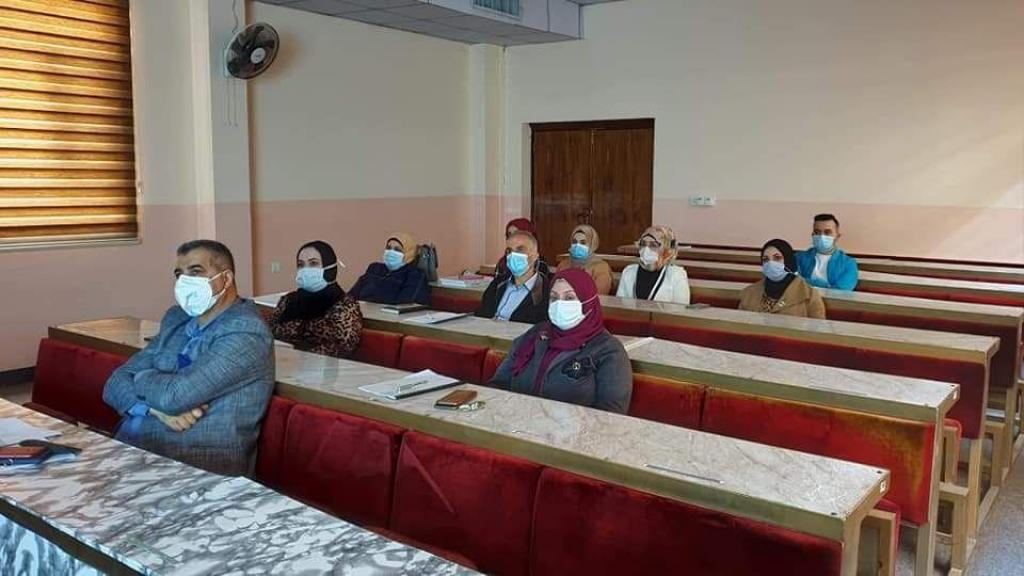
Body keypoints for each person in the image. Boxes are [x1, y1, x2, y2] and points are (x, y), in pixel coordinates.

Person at [103, 240, 274, 476]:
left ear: (226, 279)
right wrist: (154, 410)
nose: (184, 281)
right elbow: (114, 383)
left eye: (195, 271)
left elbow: (175, 396)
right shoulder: (177, 318)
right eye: (179, 274)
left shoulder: (246, 331)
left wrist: (142, 377)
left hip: (195, 465)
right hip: (130, 451)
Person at [490, 269, 633, 413]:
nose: (559, 304)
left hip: (574, 427)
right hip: (515, 420)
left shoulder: (608, 350)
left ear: (588, 302)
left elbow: (612, 414)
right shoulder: (535, 334)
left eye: (569, 298)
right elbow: (499, 384)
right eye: (554, 298)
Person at [269, 240, 363, 358]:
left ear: (330, 269)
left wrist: (298, 359)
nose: (305, 270)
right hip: (280, 362)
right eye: (300, 265)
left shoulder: (345, 305)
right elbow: (268, 332)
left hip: (321, 366)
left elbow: (341, 347)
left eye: (313, 263)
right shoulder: (288, 300)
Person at [476, 231, 550, 324]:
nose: (513, 255)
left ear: (535, 256)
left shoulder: (545, 291)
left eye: (520, 250)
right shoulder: (497, 283)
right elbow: (482, 314)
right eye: (509, 251)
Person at [739, 239, 826, 319]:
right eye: (765, 259)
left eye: (777, 258)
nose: (770, 263)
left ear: (788, 261)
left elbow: (818, 328)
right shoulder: (749, 293)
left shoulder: (809, 295)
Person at [349, 232, 430, 305]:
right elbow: (351, 296)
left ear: (408, 253)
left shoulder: (415, 275)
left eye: (397, 250)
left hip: (386, 316)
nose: (391, 252)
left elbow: (403, 305)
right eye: (388, 248)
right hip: (362, 313)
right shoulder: (374, 268)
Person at [615, 225, 690, 304]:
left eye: (653, 245)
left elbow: (681, 309)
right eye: (643, 244)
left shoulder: (677, 275)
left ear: (667, 250)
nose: (646, 249)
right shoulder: (629, 272)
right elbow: (619, 305)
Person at [796, 213, 859, 291]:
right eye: (817, 232)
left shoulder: (848, 263)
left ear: (837, 236)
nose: (822, 236)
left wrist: (807, 282)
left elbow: (842, 291)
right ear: (812, 235)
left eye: (827, 232)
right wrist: (825, 285)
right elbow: (794, 283)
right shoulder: (799, 258)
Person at [556, 225, 613, 295]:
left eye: (583, 243)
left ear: (592, 244)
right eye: (574, 242)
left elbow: (599, 295)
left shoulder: (601, 267)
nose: (577, 245)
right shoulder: (563, 265)